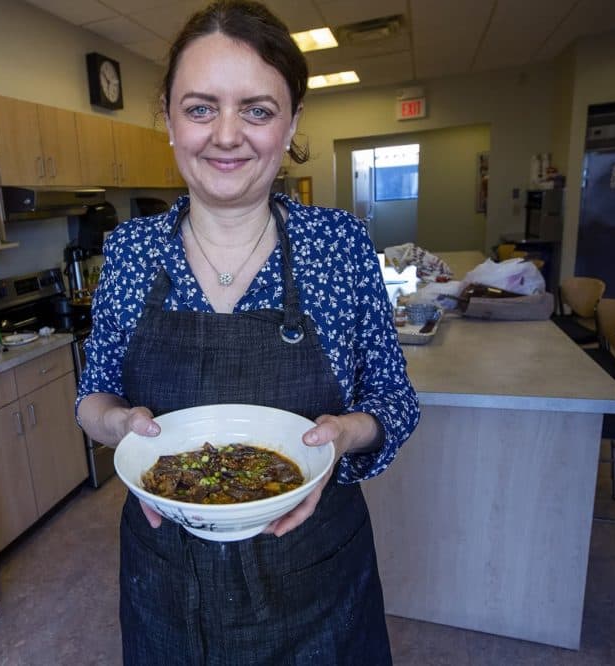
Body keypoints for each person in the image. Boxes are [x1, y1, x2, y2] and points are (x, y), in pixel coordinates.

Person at [75, 1, 420, 662]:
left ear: (292, 123)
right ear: (169, 119)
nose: (226, 136)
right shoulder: (129, 250)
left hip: (316, 575)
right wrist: (118, 426)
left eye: (257, 110)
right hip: (166, 577)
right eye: (200, 108)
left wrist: (344, 435)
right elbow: (93, 396)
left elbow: (394, 401)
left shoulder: (339, 244)